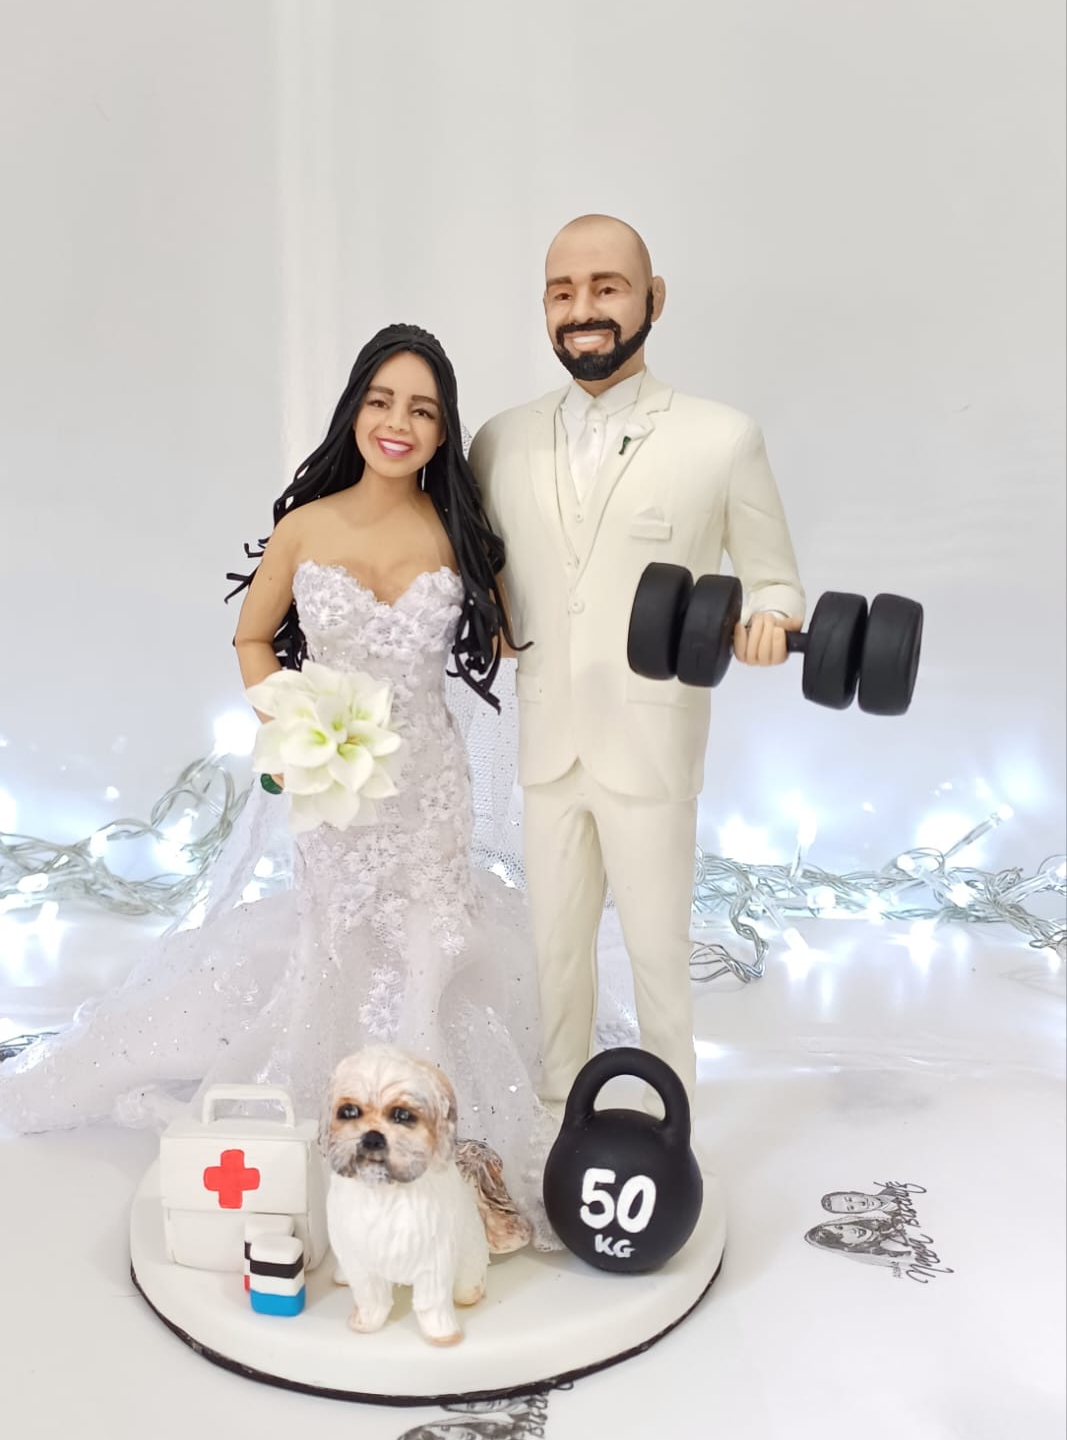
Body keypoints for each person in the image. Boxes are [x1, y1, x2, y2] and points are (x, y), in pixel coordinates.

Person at [0, 324, 560, 1239]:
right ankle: (331, 1112)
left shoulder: (454, 534)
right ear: (354, 409)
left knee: (431, 940)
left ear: (443, 429)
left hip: (427, 784)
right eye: (381, 401)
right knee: (337, 935)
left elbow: (506, 639)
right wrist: (293, 726)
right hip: (334, 788)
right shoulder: (307, 526)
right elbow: (252, 635)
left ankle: (436, 1139)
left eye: (422, 410)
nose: (398, 423)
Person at [469, 215, 805, 1112]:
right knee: (554, 949)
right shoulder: (497, 441)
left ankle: (671, 1121)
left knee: (658, 952)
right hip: (547, 746)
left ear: (652, 299)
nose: (582, 308)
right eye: (562, 291)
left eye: (606, 287)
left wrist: (770, 619)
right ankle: (557, 1113)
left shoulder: (720, 438)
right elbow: (480, 570)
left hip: (651, 746)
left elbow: (773, 577)